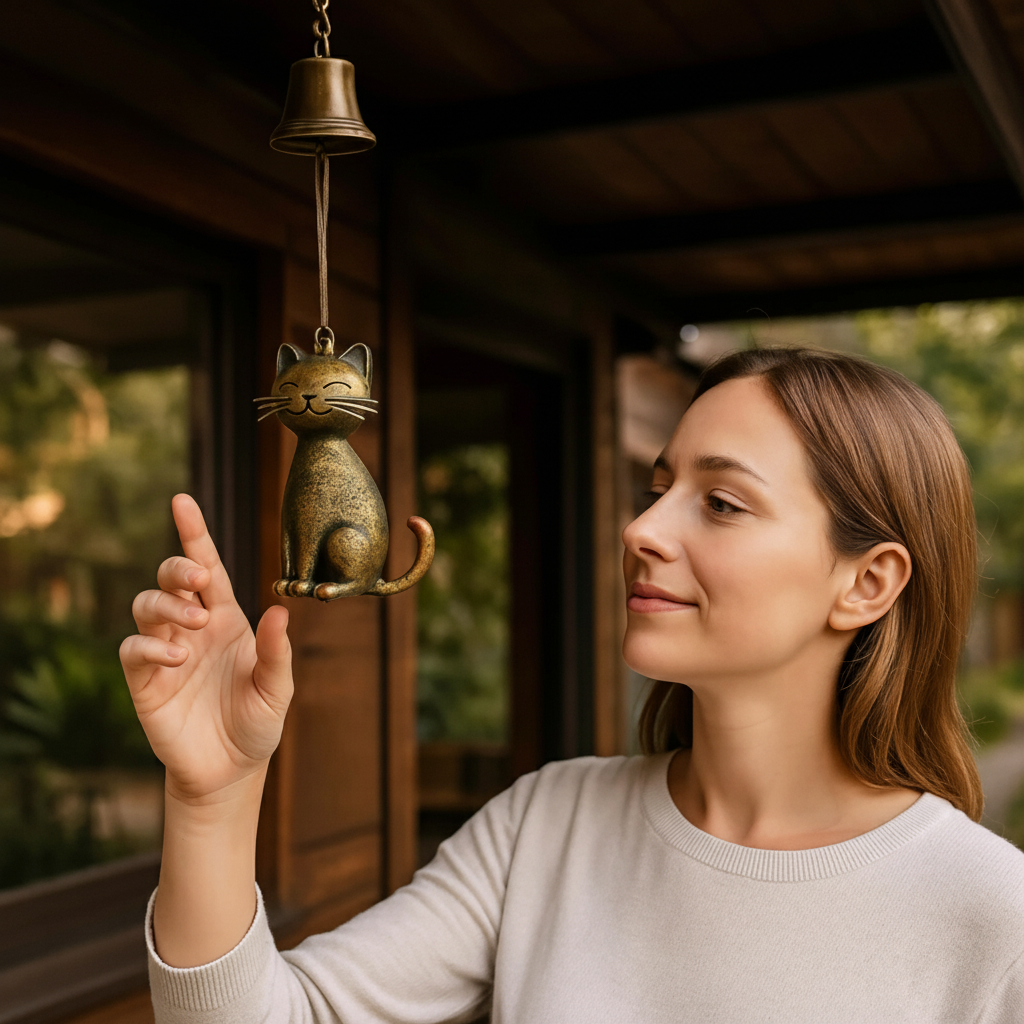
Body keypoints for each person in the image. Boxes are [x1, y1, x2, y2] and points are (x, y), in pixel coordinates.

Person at [121, 347, 1024, 1023]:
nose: (643, 528)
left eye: (721, 502)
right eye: (657, 486)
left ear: (867, 583)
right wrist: (216, 793)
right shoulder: (545, 827)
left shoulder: (991, 914)